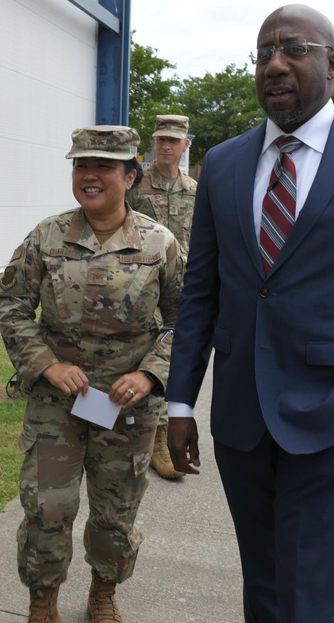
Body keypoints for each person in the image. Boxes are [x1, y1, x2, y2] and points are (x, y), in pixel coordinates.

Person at [165, 4, 334, 622]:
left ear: (333, 63)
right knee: (260, 581)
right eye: (263, 53)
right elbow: (201, 292)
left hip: (332, 412)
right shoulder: (225, 163)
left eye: (293, 49)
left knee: (310, 589)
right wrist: (182, 402)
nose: (274, 64)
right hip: (239, 417)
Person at [0, 125, 183, 623]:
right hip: (58, 402)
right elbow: (13, 303)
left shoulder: (160, 243)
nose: (90, 175)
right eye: (81, 165)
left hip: (127, 408)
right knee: (46, 510)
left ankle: (103, 594)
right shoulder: (47, 236)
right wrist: (46, 364)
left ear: (131, 176)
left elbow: (186, 321)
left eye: (103, 166)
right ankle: (43, 604)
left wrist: (149, 376)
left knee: (115, 514)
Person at [126, 114, 197, 480]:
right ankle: (141, 427)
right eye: (160, 140)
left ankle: (161, 429)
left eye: (173, 140)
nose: (166, 146)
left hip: (181, 285)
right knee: (138, 348)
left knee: (173, 350)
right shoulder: (135, 185)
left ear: (186, 145)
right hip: (139, 280)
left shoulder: (196, 190)